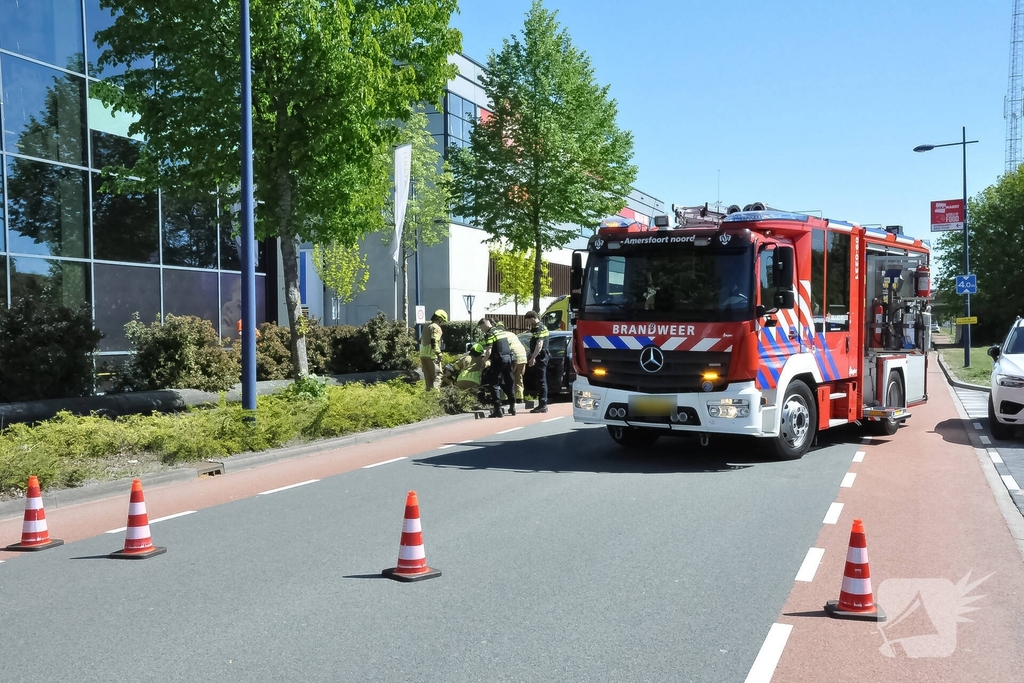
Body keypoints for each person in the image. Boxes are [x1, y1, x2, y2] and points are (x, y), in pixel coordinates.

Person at [478, 318, 515, 418]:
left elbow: (489, 351)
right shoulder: (500, 331)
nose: (482, 330)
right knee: (509, 381)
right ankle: (512, 407)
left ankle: (498, 410)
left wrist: (484, 360)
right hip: (508, 358)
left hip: (498, 360)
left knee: (494, 383)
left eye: (482, 328)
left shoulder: (490, 334)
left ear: (485, 324)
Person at [524, 310, 549, 413]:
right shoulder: (536, 327)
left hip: (541, 356)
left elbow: (539, 344)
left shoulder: (539, 327)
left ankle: (543, 405)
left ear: (533, 318)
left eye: (528, 321)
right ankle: (542, 404)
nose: (528, 323)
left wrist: (533, 357)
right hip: (541, 356)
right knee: (540, 381)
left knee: (541, 381)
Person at [420, 309, 446, 391]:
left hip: (423, 355)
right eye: (443, 321)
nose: (442, 323)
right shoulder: (437, 328)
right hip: (432, 356)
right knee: (437, 378)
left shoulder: (426, 326)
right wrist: (439, 354)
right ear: (440, 319)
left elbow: (420, 339)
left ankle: (428, 399)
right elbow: (434, 340)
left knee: (428, 381)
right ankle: (435, 400)